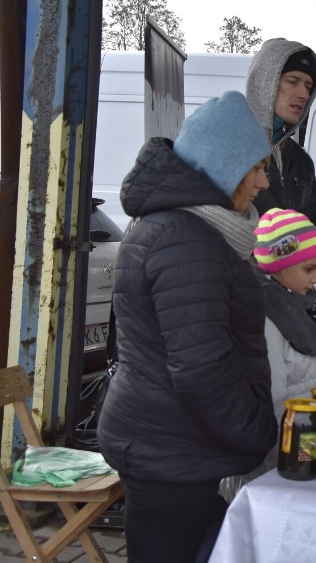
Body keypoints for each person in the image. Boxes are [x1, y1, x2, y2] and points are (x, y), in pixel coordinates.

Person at [97, 91, 279, 563]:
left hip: (169, 440)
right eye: (255, 168)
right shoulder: (187, 239)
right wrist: (257, 431)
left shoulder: (195, 229)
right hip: (169, 449)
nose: (262, 182)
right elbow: (201, 366)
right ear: (225, 167)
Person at [220, 207, 316, 502]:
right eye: (308, 269)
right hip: (273, 459)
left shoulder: (298, 305)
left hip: (298, 444)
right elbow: (269, 395)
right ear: (278, 264)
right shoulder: (265, 316)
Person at [245, 38, 316, 246]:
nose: (304, 94)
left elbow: (300, 259)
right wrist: (294, 234)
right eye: (293, 81)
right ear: (265, 82)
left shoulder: (303, 162)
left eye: (309, 86)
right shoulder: (233, 150)